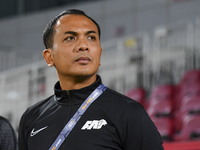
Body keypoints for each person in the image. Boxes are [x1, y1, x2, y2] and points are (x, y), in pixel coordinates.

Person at [18, 9, 164, 150]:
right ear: (49, 57)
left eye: (91, 38)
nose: (83, 46)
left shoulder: (129, 113)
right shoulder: (31, 118)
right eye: (70, 38)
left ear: (99, 53)